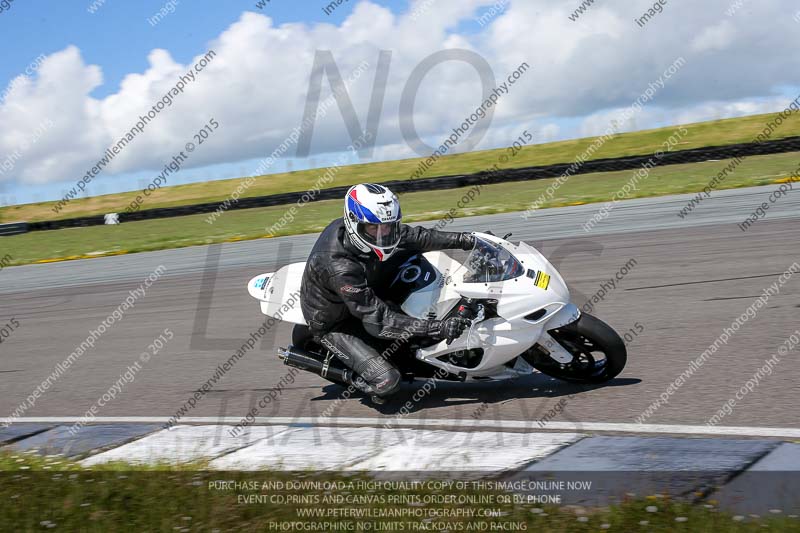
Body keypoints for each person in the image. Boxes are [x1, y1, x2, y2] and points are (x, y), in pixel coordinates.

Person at [299, 183, 475, 401]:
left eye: (389, 227)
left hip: (370, 287)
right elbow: (378, 320)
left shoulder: (377, 231)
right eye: (374, 228)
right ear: (354, 222)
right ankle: (358, 379)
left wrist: (467, 240)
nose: (384, 234)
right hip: (338, 322)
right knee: (388, 381)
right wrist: (438, 328)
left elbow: (418, 237)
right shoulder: (339, 267)